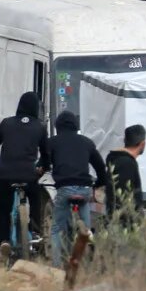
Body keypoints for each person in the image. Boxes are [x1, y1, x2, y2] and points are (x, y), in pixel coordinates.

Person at [0, 92, 51, 260]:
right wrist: (43, 168)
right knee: (35, 199)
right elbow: (46, 154)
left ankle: (4, 240)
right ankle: (36, 232)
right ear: (36, 108)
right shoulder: (40, 127)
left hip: (6, 175)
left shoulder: (6, 124)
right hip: (29, 176)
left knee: (4, 209)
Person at [46, 108, 107, 264]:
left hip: (64, 189)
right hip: (84, 190)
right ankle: (85, 254)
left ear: (57, 126)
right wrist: (98, 183)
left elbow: (43, 164)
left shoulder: (52, 142)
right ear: (76, 126)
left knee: (57, 230)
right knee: (85, 230)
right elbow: (101, 168)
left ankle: (56, 267)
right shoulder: (87, 142)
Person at [103, 124, 145, 224]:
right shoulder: (127, 163)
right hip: (124, 223)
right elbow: (123, 197)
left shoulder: (118, 160)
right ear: (143, 144)